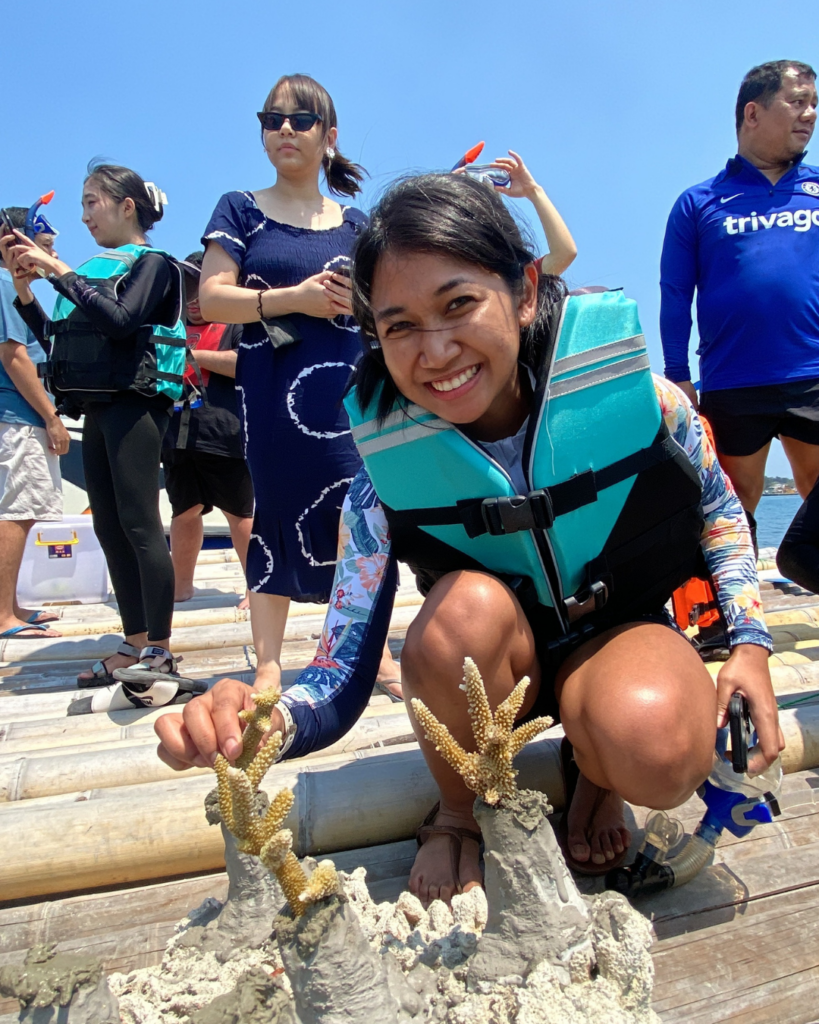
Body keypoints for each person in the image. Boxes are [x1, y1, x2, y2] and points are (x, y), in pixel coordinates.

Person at [157, 173, 783, 905]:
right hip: (493, 660)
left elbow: (718, 507)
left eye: (458, 305)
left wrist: (749, 645)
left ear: (524, 292)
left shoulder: (647, 403)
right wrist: (263, 723)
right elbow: (338, 673)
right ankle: (459, 808)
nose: (435, 351)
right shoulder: (380, 481)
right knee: (459, 613)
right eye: (399, 327)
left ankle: (594, 770)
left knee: (660, 750)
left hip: (621, 635)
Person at [198, 73, 400, 695]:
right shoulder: (240, 208)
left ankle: (369, 650)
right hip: (272, 392)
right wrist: (295, 299)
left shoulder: (359, 223)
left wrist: (356, 301)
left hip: (348, 395)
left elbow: (386, 307)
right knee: (275, 510)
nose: (285, 129)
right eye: (272, 119)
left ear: (329, 136)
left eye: (301, 119)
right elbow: (212, 299)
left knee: (360, 516)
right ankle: (268, 663)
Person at [6, 163, 189, 691]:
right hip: (100, 409)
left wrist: (57, 269)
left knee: (140, 524)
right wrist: (25, 291)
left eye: (92, 202)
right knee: (108, 527)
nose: (84, 215)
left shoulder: (153, 264)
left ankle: (159, 652)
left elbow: (122, 321)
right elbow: (57, 340)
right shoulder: (88, 272)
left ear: (126, 206)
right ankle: (133, 641)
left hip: (138, 406)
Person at [660, 60, 819, 537]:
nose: (810, 114)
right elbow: (675, 293)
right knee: (732, 505)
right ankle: (734, 588)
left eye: (814, 104)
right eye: (797, 102)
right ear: (753, 112)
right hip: (733, 379)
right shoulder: (698, 202)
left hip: (812, 372)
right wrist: (677, 376)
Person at [163, 251, 253, 606]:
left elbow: (246, 364)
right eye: (187, 289)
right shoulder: (168, 323)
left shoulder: (237, 321)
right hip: (176, 434)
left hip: (224, 433)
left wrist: (194, 356)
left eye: (199, 288)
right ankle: (181, 586)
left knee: (240, 514)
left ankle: (256, 589)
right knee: (183, 512)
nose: (194, 299)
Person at [0, 205, 68, 640]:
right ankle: (3, 616)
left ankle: (14, 606)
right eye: (44, 245)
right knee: (17, 512)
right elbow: (14, 356)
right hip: (19, 418)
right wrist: (51, 417)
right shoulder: (6, 285)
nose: (52, 254)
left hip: (19, 417)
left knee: (25, 511)